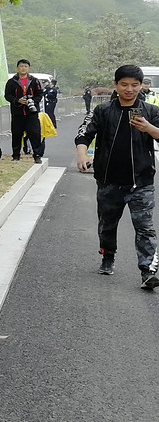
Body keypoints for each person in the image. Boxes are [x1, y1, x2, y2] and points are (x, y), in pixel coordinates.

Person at [74, 65, 159, 288]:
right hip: (109, 181)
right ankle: (108, 255)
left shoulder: (151, 111)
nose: (129, 89)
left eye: (134, 85)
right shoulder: (102, 111)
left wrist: (148, 128)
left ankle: (148, 271)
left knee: (145, 227)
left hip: (141, 182)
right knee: (107, 225)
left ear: (141, 86)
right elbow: (84, 134)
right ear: (116, 85)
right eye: (124, 85)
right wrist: (82, 155)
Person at [4, 59, 45, 163]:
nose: (23, 68)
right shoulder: (12, 81)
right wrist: (17, 100)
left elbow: (40, 93)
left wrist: (32, 101)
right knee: (17, 134)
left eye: (25, 66)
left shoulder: (34, 81)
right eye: (21, 66)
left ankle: (37, 155)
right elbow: (7, 95)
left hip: (31, 113)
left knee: (35, 134)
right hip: (17, 113)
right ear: (18, 68)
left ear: (28, 68)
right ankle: (16, 155)